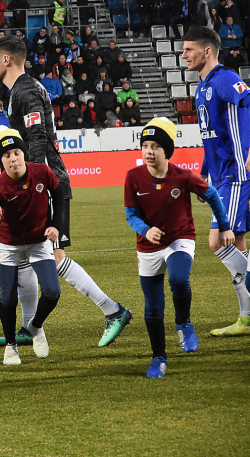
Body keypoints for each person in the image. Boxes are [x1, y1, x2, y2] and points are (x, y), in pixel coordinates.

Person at [0, 36, 132, 347]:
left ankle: (113, 311)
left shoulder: (27, 91)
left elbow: (35, 140)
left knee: (53, 256)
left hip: (45, 185)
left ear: (6, 59)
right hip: (39, 183)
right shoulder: (18, 91)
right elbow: (15, 146)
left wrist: (30, 184)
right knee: (27, 256)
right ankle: (28, 329)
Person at [124, 118, 235, 378]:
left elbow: (212, 195)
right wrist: (146, 230)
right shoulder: (133, 177)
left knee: (178, 279)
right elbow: (131, 215)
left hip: (179, 238)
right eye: (145, 146)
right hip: (148, 246)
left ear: (167, 150)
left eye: (155, 146)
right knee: (153, 308)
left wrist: (225, 226)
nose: (149, 151)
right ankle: (159, 357)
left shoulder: (183, 176)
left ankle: (183, 323)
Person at [182, 27, 250, 336]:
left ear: (207, 51)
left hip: (236, 175)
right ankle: (246, 318)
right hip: (222, 176)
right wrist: (203, 174)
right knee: (237, 242)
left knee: (217, 241)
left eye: (189, 49)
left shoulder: (224, 79)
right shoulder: (201, 88)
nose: (184, 54)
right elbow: (212, 137)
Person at [0, 129, 63, 365]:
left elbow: (60, 195)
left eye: (16, 152)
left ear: (23, 153)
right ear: (1, 160)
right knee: (8, 299)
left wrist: (56, 226)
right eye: (7, 155)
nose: (13, 158)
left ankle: (35, 327)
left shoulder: (42, 172)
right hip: (8, 245)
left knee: (52, 291)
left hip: (38, 241)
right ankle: (11, 347)